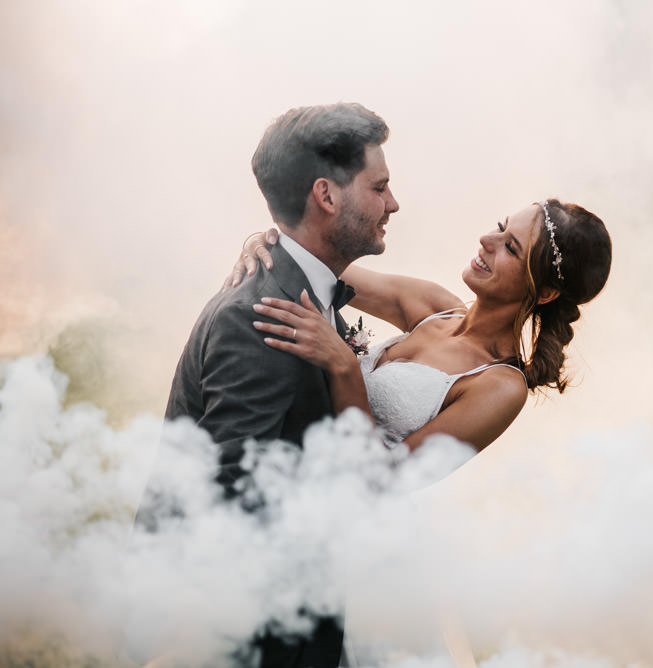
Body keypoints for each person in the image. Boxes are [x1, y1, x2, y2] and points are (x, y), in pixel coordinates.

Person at [150, 102, 399, 668]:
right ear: (326, 195)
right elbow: (233, 503)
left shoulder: (302, 293)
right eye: (379, 186)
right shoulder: (261, 315)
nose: (393, 202)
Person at [230, 197, 612, 454]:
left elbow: (384, 484)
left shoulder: (500, 385)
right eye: (499, 227)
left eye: (511, 247)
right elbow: (313, 262)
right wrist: (263, 247)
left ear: (544, 293)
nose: (486, 240)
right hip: (273, 452)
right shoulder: (434, 306)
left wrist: (344, 366)